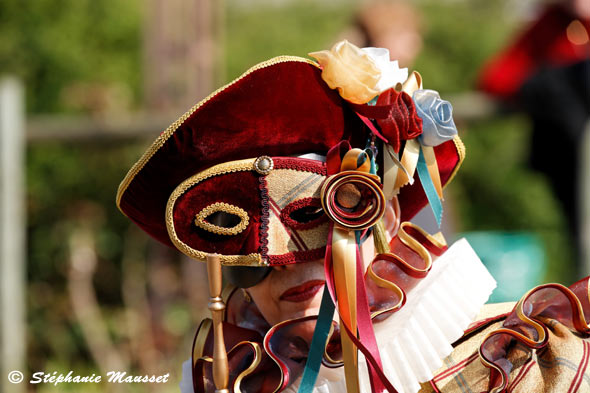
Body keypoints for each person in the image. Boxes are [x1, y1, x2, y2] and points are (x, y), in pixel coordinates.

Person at [117, 41, 590, 393]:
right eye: (244, 250)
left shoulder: (521, 365)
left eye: (315, 216)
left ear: (381, 215)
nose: (286, 264)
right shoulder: (238, 379)